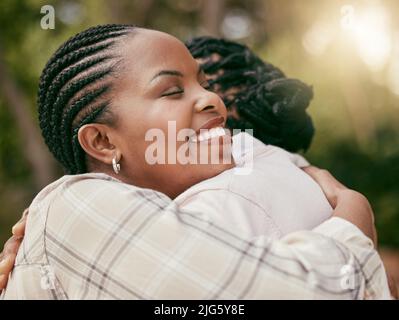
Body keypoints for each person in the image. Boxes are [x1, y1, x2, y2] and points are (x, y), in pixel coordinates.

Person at [0, 24, 390, 299]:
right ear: (102, 141)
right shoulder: (73, 206)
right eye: (171, 90)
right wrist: (354, 210)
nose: (211, 99)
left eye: (203, 83)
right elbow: (303, 292)